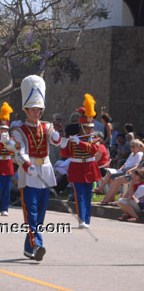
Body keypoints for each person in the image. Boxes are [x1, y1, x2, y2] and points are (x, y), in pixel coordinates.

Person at [7, 75, 61, 261]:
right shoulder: (19, 130)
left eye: (39, 109)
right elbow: (18, 151)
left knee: (40, 215)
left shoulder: (47, 127)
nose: (36, 112)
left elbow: (55, 141)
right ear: (26, 110)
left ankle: (28, 249)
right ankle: (37, 245)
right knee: (31, 212)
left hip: (45, 171)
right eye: (33, 109)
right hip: (29, 174)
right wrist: (26, 163)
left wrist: (56, 136)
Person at [60, 94, 102, 228]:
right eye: (88, 127)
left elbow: (93, 150)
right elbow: (66, 154)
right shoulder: (74, 139)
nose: (91, 130)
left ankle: (87, 220)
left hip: (89, 168)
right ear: (82, 127)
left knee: (88, 196)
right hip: (77, 169)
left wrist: (80, 143)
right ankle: (81, 219)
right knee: (79, 196)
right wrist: (63, 144)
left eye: (91, 127)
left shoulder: (94, 139)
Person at [98, 140, 144, 205]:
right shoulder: (132, 154)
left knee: (116, 179)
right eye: (131, 146)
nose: (132, 148)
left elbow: (137, 167)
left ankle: (106, 198)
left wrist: (129, 170)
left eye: (134, 147)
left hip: (133, 174)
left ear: (140, 147)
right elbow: (126, 163)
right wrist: (120, 169)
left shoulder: (140, 154)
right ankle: (109, 198)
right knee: (111, 176)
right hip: (131, 173)